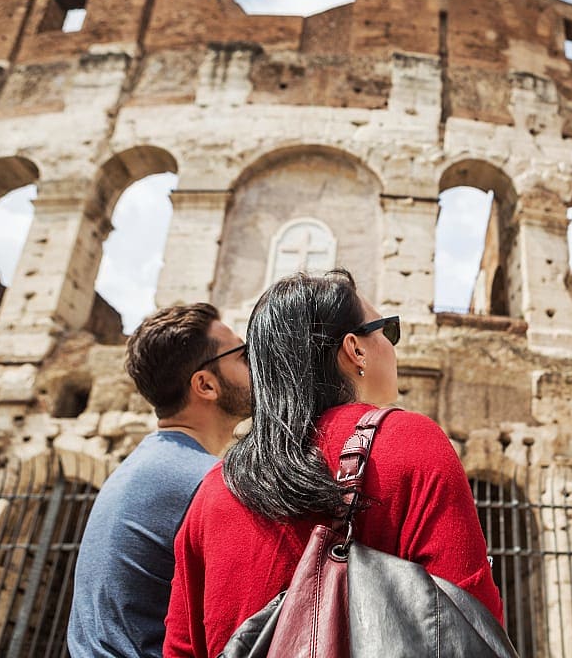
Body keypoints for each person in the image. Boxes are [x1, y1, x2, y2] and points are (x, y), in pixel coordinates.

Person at [164, 270, 503, 657]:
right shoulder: (411, 442)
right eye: (387, 331)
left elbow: (181, 647)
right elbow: (470, 624)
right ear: (355, 349)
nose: (393, 346)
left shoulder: (213, 489)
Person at [68, 303, 251, 658]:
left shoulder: (138, 467)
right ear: (206, 385)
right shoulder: (205, 482)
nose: (256, 366)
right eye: (243, 356)